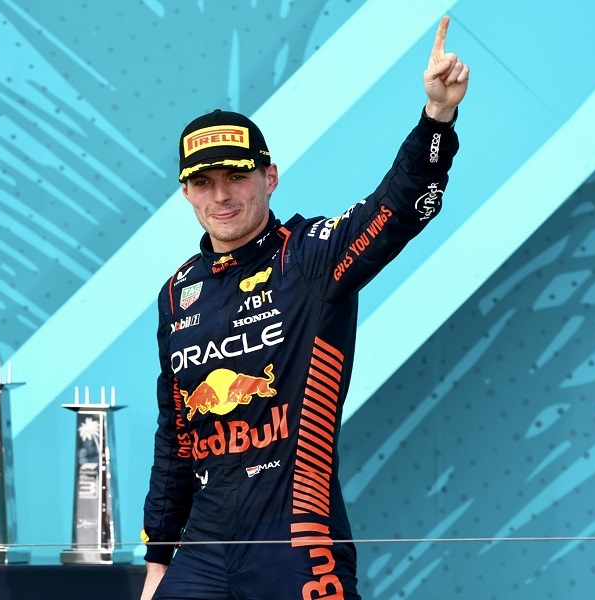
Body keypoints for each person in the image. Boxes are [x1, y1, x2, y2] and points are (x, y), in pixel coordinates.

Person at [140, 15, 469, 600]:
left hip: (296, 536)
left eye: (237, 176)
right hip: (203, 550)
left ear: (269, 176)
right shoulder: (176, 292)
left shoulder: (310, 255)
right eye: (204, 182)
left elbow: (397, 208)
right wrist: (158, 559)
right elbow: (176, 436)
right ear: (186, 192)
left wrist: (437, 117)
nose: (222, 195)